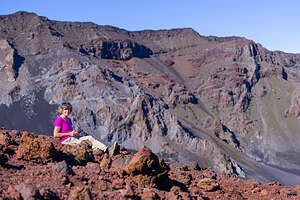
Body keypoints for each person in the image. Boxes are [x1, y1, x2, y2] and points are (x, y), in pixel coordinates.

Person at [53, 102, 119, 155]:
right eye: (65, 109)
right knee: (84, 144)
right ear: (62, 110)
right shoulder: (59, 120)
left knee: (89, 138)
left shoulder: (69, 120)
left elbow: (69, 132)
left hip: (72, 138)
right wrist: (70, 134)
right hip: (66, 141)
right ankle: (99, 151)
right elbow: (55, 134)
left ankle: (106, 149)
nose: (67, 111)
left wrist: (75, 133)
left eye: (69, 109)